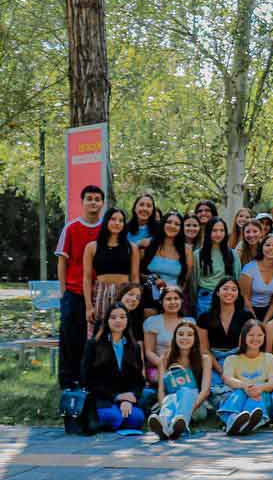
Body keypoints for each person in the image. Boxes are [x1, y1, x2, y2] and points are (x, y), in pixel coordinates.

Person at [56, 184, 107, 386]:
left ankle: (90, 380)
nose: (93, 202)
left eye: (97, 199)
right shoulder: (71, 228)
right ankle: (68, 381)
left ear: (102, 203)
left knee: (96, 339)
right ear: (82, 202)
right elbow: (62, 261)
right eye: (89, 198)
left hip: (99, 293)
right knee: (70, 337)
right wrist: (63, 292)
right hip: (74, 292)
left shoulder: (106, 229)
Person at [82, 304, 146, 432]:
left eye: (122, 317)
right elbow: (86, 379)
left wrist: (129, 398)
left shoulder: (134, 347)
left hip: (126, 397)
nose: (118, 321)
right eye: (113, 317)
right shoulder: (93, 344)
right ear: (107, 321)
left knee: (137, 419)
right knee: (113, 417)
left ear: (127, 320)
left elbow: (138, 380)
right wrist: (116, 397)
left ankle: (121, 416)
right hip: (102, 397)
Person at [148, 320, 211, 439]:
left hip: (196, 404)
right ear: (175, 337)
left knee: (186, 391)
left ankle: (178, 423)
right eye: (181, 334)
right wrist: (163, 405)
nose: (185, 338)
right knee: (171, 398)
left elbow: (205, 390)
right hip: (170, 402)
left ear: (195, 338)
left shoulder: (205, 359)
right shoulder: (165, 358)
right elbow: (161, 390)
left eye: (189, 335)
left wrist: (187, 409)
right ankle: (166, 427)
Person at [217, 318, 273, 435]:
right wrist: (245, 386)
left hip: (263, 397)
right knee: (240, 392)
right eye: (251, 335)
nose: (255, 338)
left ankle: (246, 421)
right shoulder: (231, 359)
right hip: (237, 397)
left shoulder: (271, 359)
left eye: (260, 335)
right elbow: (227, 378)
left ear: (264, 337)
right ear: (244, 337)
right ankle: (234, 421)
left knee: (257, 395)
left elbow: (272, 383)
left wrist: (258, 388)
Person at [82, 206, 137, 337]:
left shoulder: (131, 248)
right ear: (106, 221)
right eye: (113, 219)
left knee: (123, 334)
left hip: (123, 293)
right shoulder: (92, 247)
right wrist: (89, 306)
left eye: (121, 220)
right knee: (98, 333)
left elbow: (135, 277)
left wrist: (134, 299)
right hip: (101, 293)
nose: (117, 223)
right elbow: (87, 278)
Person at [198, 277, 254, 373]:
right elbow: (204, 349)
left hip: (239, 361)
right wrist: (221, 371)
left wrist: (232, 370)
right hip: (212, 363)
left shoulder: (247, 317)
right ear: (217, 293)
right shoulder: (204, 317)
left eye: (234, 289)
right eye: (225, 288)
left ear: (237, 294)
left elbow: (247, 347)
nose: (229, 292)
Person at [239, 233, 273, 321]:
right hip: (248, 311)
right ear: (262, 248)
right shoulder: (249, 268)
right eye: (267, 245)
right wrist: (256, 322)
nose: (271, 248)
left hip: (268, 312)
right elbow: (245, 298)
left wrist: (265, 321)